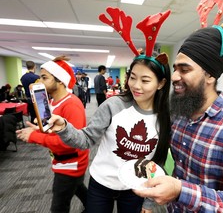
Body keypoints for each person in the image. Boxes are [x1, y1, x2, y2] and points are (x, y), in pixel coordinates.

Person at [133, 27, 223, 212]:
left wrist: (181, 191)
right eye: (175, 69)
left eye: (185, 69)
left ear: (210, 75)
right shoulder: (179, 116)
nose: (174, 77)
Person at [46, 50, 171, 213]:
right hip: (101, 183)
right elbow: (86, 139)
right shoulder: (113, 105)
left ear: (161, 83)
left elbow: (157, 162)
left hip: (136, 188)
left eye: (145, 80)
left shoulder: (165, 117)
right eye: (132, 77)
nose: (136, 85)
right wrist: (64, 127)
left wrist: (149, 201)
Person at [16, 56, 89, 213]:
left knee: (58, 207)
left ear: (60, 81)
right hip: (62, 161)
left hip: (70, 165)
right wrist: (38, 130)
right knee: (79, 189)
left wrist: (33, 137)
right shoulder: (53, 102)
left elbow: (69, 143)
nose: (39, 81)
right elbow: (54, 131)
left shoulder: (72, 105)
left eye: (44, 77)